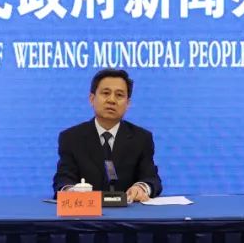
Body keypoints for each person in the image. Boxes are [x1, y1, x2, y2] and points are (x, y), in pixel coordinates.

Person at [53, 69, 163, 202]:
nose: (111, 100)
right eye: (106, 93)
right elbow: (63, 179)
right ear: (92, 99)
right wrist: (70, 191)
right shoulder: (71, 138)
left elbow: (151, 178)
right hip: (87, 211)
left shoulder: (141, 138)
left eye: (119, 95)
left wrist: (141, 188)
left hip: (128, 211)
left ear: (128, 104)